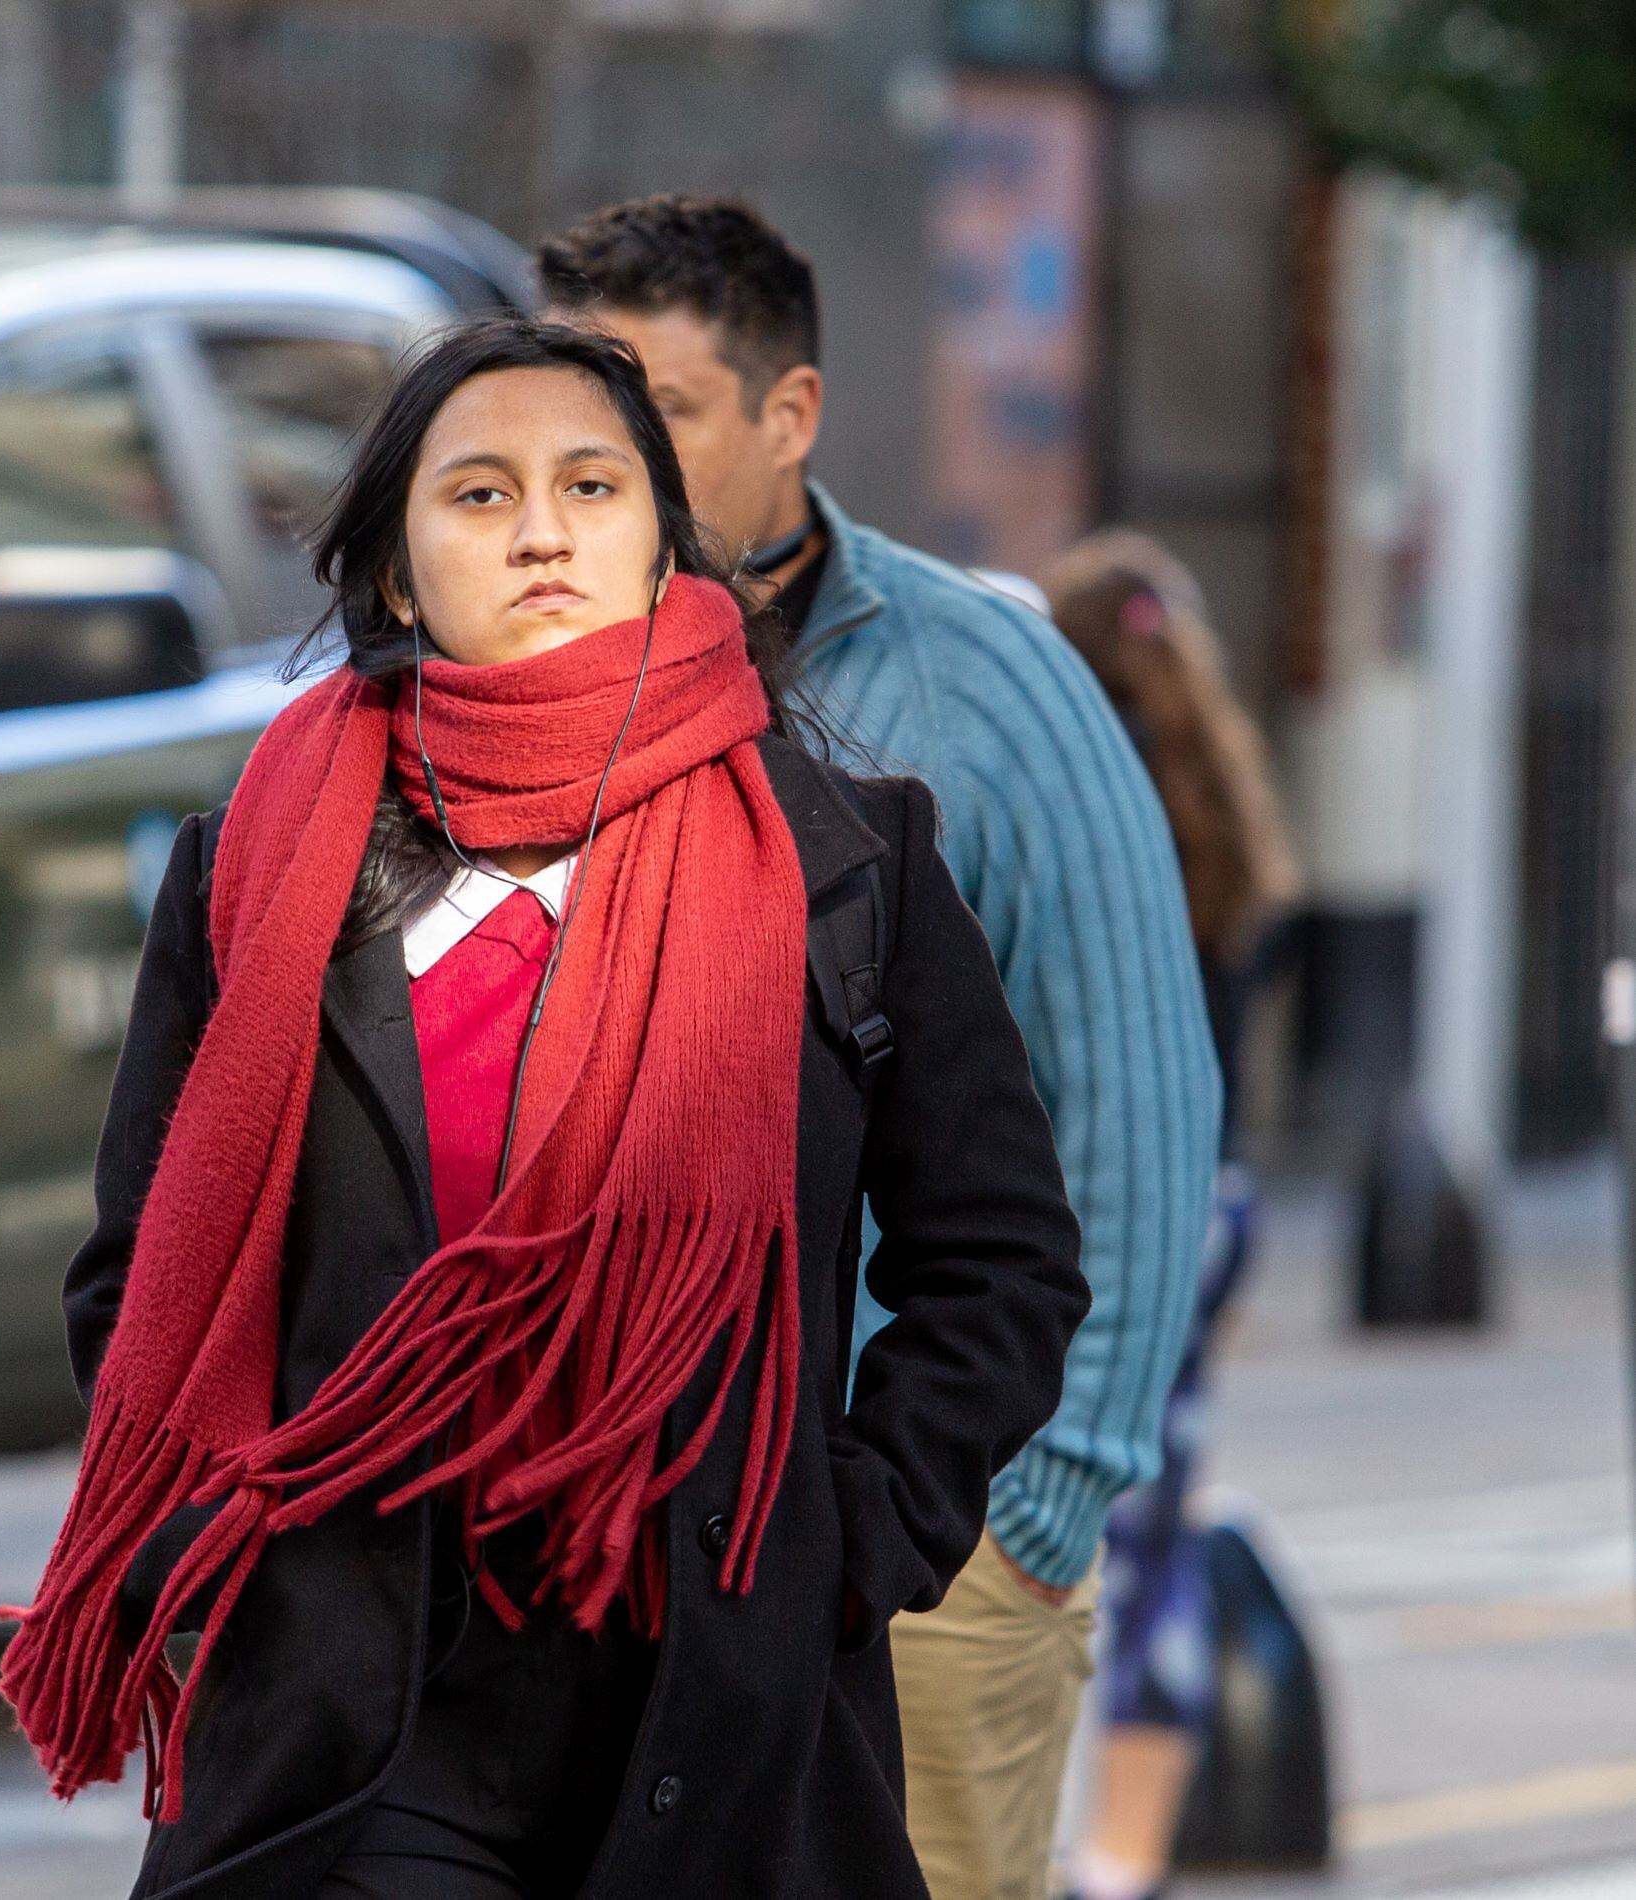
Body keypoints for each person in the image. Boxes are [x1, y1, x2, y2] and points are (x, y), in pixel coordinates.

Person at [0, 314, 1089, 1900]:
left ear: (661, 551)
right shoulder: (251, 870)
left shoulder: (847, 866)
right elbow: (138, 1269)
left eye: (589, 487)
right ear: (393, 570)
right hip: (365, 1703)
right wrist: (225, 1563)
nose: (540, 533)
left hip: (710, 1686)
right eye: (480, 496)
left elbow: (1001, 1263)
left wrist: (849, 1540)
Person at [539, 196, 1221, 1900]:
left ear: (788, 418)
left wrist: (1018, 1520)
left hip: (899, 1553)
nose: (606, 462)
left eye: (662, 412)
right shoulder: (497, 695)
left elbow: (1132, 1117)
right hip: (569, 1557)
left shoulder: (985, 686)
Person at [1038, 532, 1301, 1900]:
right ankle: (1121, 1866)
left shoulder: (1069, 807)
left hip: (1089, 1208)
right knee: (1155, 1539)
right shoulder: (1229, 818)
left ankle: (1017, 1835)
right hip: (1211, 1206)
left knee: (1024, 1519)